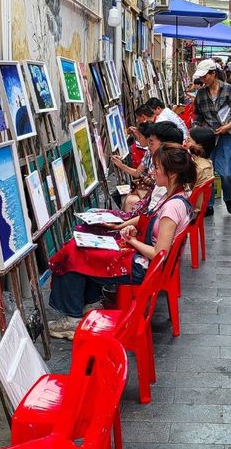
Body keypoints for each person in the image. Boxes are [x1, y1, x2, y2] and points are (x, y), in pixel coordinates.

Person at [49, 143, 196, 339]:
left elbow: (159, 253)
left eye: (157, 168)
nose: (153, 172)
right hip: (145, 258)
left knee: (73, 253)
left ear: (171, 174)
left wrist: (131, 240)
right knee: (83, 243)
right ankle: (90, 303)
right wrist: (127, 228)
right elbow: (150, 222)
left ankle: (73, 319)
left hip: (144, 268)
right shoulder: (174, 196)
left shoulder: (172, 208)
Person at [192, 58, 231, 215]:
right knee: (208, 172)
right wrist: (196, 128)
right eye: (201, 77)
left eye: (205, 76)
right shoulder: (200, 94)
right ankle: (209, 204)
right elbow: (198, 114)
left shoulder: (228, 90)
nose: (202, 80)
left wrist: (229, 125)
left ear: (213, 74)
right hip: (208, 136)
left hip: (226, 135)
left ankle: (228, 198)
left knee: (226, 172)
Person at [112, 122, 183, 213]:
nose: (151, 172)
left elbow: (153, 210)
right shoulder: (156, 157)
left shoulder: (171, 169)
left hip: (153, 207)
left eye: (151, 143)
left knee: (130, 201)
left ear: (165, 145)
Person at [184, 125, 215, 213]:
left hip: (191, 211)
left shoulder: (198, 167)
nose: (185, 141)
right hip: (195, 207)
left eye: (188, 140)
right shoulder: (206, 161)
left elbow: (185, 188)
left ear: (199, 146)